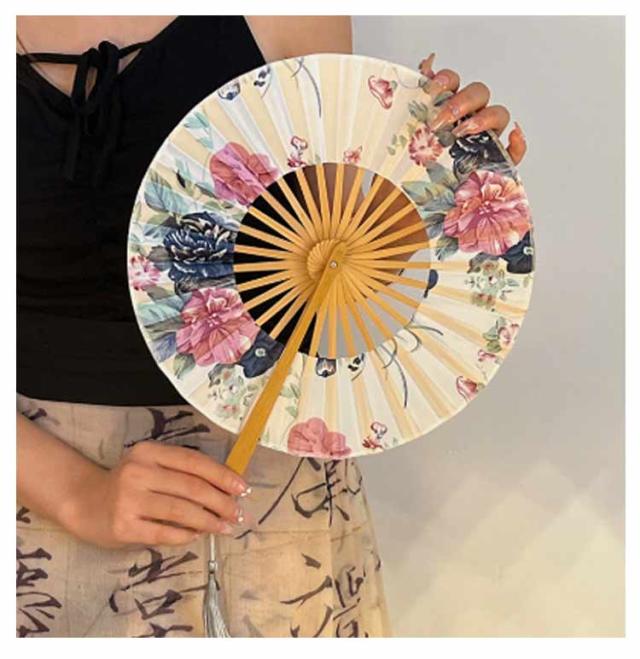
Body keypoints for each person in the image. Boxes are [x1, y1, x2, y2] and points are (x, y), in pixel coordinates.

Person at [16, 15, 527, 638]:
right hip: (36, 500)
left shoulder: (288, 13)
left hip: (276, 481)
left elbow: (338, 268)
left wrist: (442, 193)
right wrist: (76, 495)